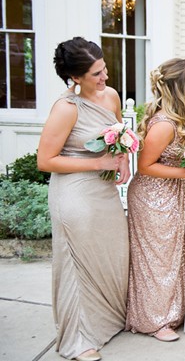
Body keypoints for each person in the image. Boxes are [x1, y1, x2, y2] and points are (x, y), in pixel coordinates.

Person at [37, 37, 130, 361]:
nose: (105, 77)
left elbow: (119, 136)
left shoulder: (111, 95)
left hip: (104, 191)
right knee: (77, 265)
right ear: (75, 77)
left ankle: (107, 322)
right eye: (96, 73)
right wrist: (98, 163)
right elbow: (45, 161)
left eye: (104, 69)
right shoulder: (66, 109)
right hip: (74, 193)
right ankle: (78, 340)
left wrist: (123, 160)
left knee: (111, 254)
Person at [124, 58, 185, 342]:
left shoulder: (182, 116)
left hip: (172, 193)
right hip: (153, 197)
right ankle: (155, 321)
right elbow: (145, 166)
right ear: (184, 85)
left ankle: (170, 313)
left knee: (171, 259)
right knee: (157, 261)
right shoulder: (165, 124)